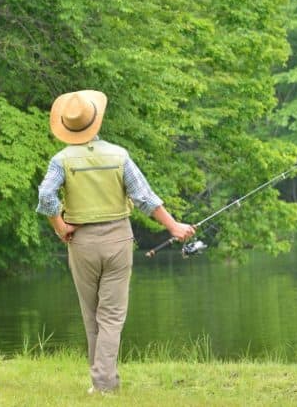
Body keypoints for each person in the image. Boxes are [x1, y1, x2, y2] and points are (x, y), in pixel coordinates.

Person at [36, 89, 195, 393]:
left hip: (81, 242)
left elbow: (45, 195)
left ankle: (101, 382)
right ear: (96, 120)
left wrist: (59, 225)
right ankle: (105, 382)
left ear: (67, 126)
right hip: (118, 240)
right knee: (111, 315)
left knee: (92, 313)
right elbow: (145, 198)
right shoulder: (119, 155)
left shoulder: (61, 160)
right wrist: (173, 226)